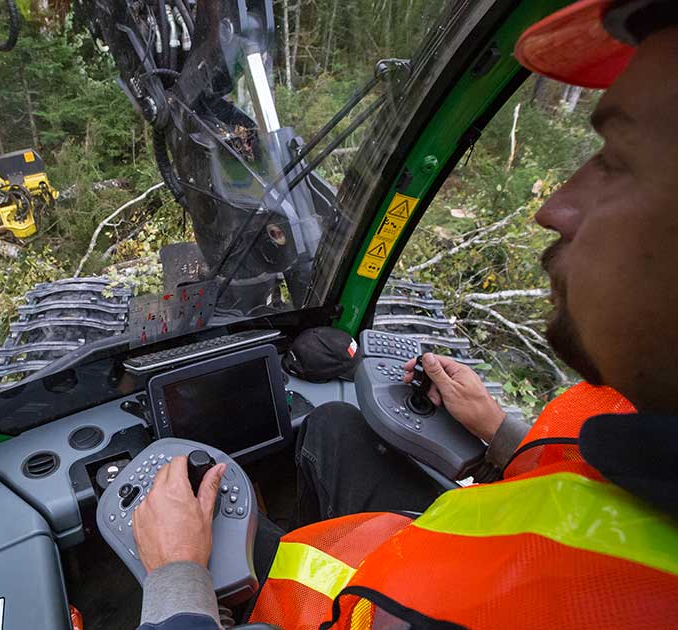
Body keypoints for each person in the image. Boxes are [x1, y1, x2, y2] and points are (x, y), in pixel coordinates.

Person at [133, 1, 678, 628]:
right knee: (335, 424)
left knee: (226, 529)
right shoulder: (630, 410)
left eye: (616, 161)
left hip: (372, 601)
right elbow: (598, 489)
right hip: (434, 548)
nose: (552, 206)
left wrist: (178, 579)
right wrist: (504, 434)